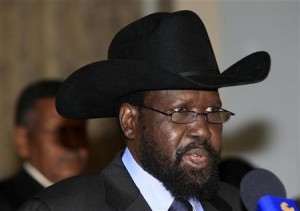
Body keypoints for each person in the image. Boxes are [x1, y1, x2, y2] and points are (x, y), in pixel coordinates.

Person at [19, 10, 270, 211]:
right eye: (181, 111)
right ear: (130, 121)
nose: (203, 130)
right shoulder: (62, 207)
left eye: (213, 111)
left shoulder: (237, 204)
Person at [0, 80, 88, 210]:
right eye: (61, 133)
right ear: (22, 141)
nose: (73, 144)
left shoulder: (105, 197)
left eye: (78, 132)